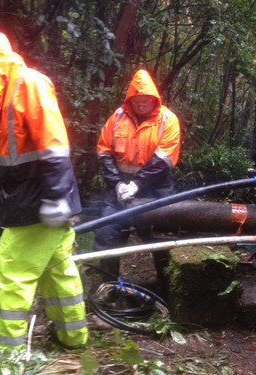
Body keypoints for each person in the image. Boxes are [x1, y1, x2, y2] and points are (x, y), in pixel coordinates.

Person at [0, 27, 87, 351]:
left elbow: (54, 144)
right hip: (36, 195)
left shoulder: (28, 83)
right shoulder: (10, 90)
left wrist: (56, 196)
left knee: (11, 271)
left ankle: (5, 353)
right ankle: (73, 337)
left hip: (37, 198)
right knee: (57, 271)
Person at [94, 69, 181, 280]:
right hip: (119, 188)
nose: (141, 105)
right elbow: (104, 152)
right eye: (137, 101)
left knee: (161, 238)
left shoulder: (167, 120)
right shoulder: (116, 118)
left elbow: (164, 160)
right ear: (130, 100)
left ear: (154, 100)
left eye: (145, 101)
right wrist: (117, 184)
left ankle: (166, 285)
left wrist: (137, 184)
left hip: (156, 189)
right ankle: (109, 287)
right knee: (107, 234)